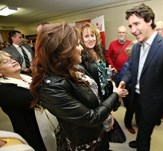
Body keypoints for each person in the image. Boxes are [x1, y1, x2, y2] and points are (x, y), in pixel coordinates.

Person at [30, 23, 128, 151]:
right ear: (63, 51)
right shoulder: (51, 88)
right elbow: (91, 117)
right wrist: (115, 95)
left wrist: (107, 113)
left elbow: (95, 93)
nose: (81, 48)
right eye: (77, 44)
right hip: (85, 140)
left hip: (98, 131)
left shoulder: (75, 67)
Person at [121, 3, 163, 150]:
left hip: (153, 103)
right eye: (130, 26)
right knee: (141, 126)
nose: (133, 30)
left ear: (149, 20)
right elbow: (132, 70)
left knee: (144, 136)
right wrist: (124, 81)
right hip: (135, 99)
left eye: (136, 23)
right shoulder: (136, 47)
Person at [0, 51, 47, 151]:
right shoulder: (3, 89)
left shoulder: (27, 77)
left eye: (11, 58)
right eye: (5, 61)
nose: (12, 61)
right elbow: (32, 97)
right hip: (32, 132)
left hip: (47, 126)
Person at [80, 23, 114, 150]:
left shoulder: (98, 51)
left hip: (104, 93)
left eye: (92, 35)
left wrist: (108, 74)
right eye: (86, 36)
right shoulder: (81, 58)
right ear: (81, 39)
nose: (90, 39)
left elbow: (102, 75)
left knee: (106, 129)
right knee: (98, 132)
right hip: (95, 99)